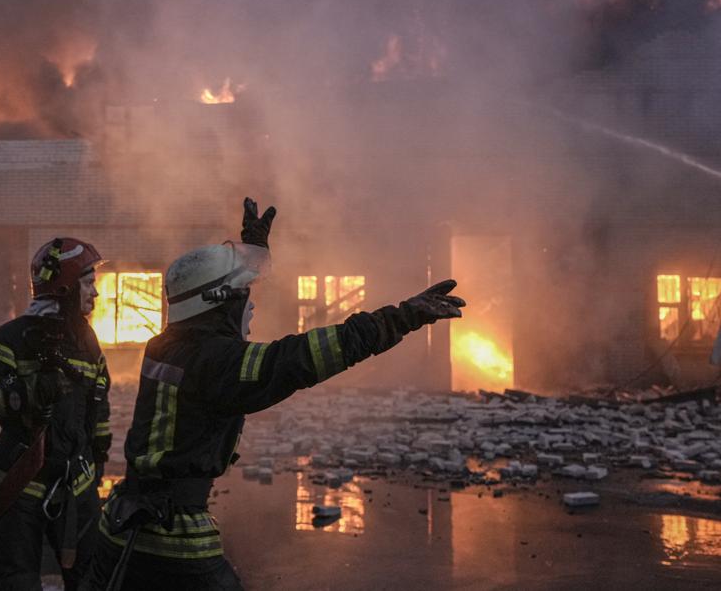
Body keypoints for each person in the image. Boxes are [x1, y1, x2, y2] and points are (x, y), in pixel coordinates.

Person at [82, 198, 466, 590]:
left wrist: (253, 250)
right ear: (218, 304)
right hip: (172, 540)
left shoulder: (167, 345)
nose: (251, 309)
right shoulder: (215, 362)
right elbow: (301, 358)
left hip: (124, 524)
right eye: (242, 297)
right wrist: (400, 318)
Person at [0, 237, 112, 591]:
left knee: (91, 580)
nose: (95, 293)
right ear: (66, 287)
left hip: (77, 481)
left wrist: (97, 457)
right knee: (17, 581)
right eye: (89, 283)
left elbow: (98, 401)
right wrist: (23, 392)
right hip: (21, 480)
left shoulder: (87, 342)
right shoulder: (12, 338)